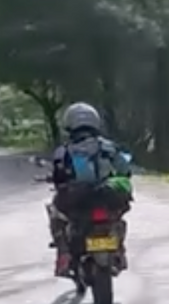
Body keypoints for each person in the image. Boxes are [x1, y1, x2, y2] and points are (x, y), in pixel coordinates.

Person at [47, 102, 134, 274]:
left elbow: (58, 176)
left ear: (69, 124)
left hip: (78, 200)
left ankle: (64, 254)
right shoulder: (108, 146)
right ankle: (119, 249)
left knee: (55, 213)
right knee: (117, 218)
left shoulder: (64, 150)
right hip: (106, 196)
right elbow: (125, 169)